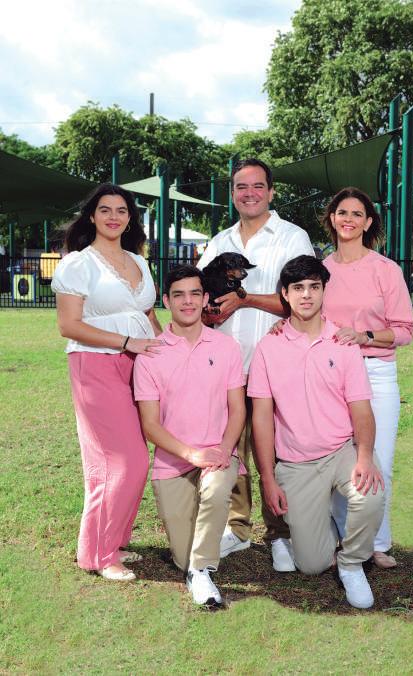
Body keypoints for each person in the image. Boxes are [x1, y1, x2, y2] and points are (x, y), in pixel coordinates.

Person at [197, 158, 314, 571]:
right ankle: (238, 528)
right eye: (241, 187)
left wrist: (244, 300)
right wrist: (209, 311)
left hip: (276, 366)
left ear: (271, 191)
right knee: (232, 449)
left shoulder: (292, 237)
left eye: (258, 186)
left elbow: (303, 300)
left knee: (277, 452)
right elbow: (199, 297)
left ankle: (280, 533)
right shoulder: (219, 241)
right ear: (232, 193)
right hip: (226, 368)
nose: (249, 194)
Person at [248, 255, 385, 609]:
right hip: (296, 463)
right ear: (285, 294)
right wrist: (268, 478)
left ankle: (352, 563)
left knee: (370, 493)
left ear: (324, 291)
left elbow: (361, 408)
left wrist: (364, 457)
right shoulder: (268, 347)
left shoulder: (343, 342)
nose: (306, 295)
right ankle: (322, 532)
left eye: (314, 287)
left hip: (341, 451)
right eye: (298, 288)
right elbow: (261, 418)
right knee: (311, 565)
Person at [51, 183, 162, 582]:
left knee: (135, 456)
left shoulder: (138, 261)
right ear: (92, 216)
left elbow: (148, 315)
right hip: (95, 364)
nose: (113, 217)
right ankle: (97, 553)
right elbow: (69, 325)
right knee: (123, 461)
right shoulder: (78, 263)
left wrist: (167, 352)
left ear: (130, 218)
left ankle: (114, 541)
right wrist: (127, 342)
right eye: (105, 210)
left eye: (121, 210)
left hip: (139, 365)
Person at [133, 265, 246, 607]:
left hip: (217, 454)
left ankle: (201, 573)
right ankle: (200, 556)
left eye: (195, 294)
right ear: (166, 301)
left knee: (214, 493)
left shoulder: (227, 347)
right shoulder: (151, 355)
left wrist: (224, 449)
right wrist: (192, 454)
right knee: (182, 557)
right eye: (179, 295)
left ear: (205, 298)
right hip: (174, 462)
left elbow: (237, 410)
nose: (188, 301)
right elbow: (150, 425)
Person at [322, 187, 413, 568]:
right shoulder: (321, 270)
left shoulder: (386, 270)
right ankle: (345, 538)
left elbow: (405, 329)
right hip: (332, 375)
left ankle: (377, 542)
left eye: (357, 214)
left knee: (379, 460)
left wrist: (366, 336)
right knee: (336, 459)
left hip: (376, 372)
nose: (348, 219)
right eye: (342, 212)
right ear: (332, 219)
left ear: (368, 222)